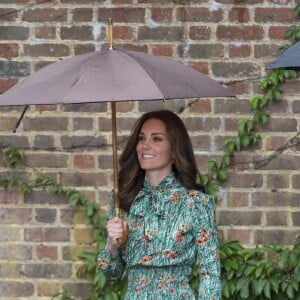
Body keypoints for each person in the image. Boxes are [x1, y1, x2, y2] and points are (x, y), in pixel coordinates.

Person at [98, 110, 221, 300]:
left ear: (174, 150)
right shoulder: (123, 201)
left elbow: (210, 274)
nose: (145, 145)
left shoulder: (196, 203)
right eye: (141, 138)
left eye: (156, 139)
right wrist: (112, 245)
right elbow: (111, 274)